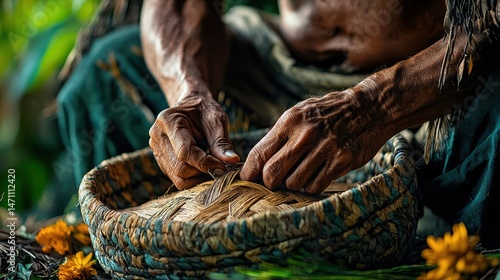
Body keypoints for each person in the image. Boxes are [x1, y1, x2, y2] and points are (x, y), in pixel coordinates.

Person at [58, 0, 500, 247]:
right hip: (269, 63)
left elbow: (490, 23)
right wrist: (189, 90)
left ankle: (441, 236)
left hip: (434, 80)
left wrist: (372, 107)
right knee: (109, 69)